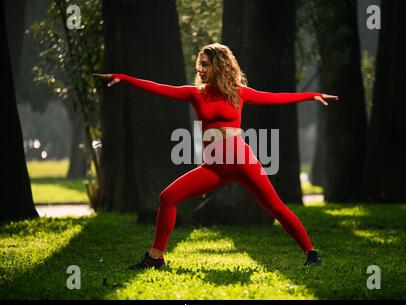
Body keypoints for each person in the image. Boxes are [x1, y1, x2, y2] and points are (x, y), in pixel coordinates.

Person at [94, 43, 338, 270]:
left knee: (276, 208)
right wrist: (125, 79)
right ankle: (156, 258)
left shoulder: (239, 93)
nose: (200, 69)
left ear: (219, 66)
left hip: (242, 162)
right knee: (168, 197)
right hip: (214, 167)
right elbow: (159, 88)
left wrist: (311, 95)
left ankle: (311, 253)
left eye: (205, 64)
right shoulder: (195, 94)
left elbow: (276, 97)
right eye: (199, 64)